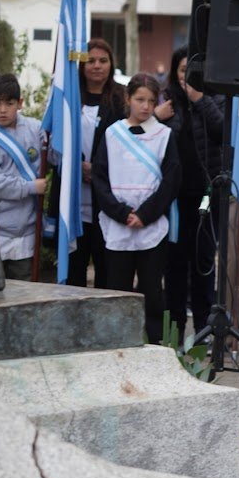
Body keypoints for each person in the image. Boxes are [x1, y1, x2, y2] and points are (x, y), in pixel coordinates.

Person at [91, 73, 181, 344]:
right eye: (140, 99)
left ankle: (154, 344)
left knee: (152, 291)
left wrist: (145, 214)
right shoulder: (112, 133)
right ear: (128, 98)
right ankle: (116, 343)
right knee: (117, 289)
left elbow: (171, 179)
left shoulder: (164, 135)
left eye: (151, 101)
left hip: (150, 225)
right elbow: (100, 177)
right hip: (118, 223)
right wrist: (120, 212)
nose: (145, 106)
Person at [156, 46, 223, 337]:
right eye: (183, 70)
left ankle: (203, 331)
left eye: (192, 71)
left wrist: (200, 100)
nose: (187, 77)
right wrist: (156, 117)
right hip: (173, 199)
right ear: (175, 72)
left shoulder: (216, 98)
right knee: (174, 266)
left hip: (207, 196)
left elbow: (222, 131)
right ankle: (174, 331)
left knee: (203, 263)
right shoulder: (164, 100)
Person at [60, 38, 127, 287]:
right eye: (90, 61)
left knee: (105, 268)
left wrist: (97, 169)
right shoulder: (69, 97)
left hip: (106, 197)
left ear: (111, 64)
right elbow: (59, 139)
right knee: (74, 268)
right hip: (74, 198)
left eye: (103, 60)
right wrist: (77, 166)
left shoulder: (122, 99)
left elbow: (126, 144)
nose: (96, 66)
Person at [0, 74, 47, 281]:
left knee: (24, 291)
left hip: (27, 230)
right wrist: (31, 187)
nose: (3, 110)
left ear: (20, 103)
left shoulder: (35, 128)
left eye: (9, 103)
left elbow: (54, 155)